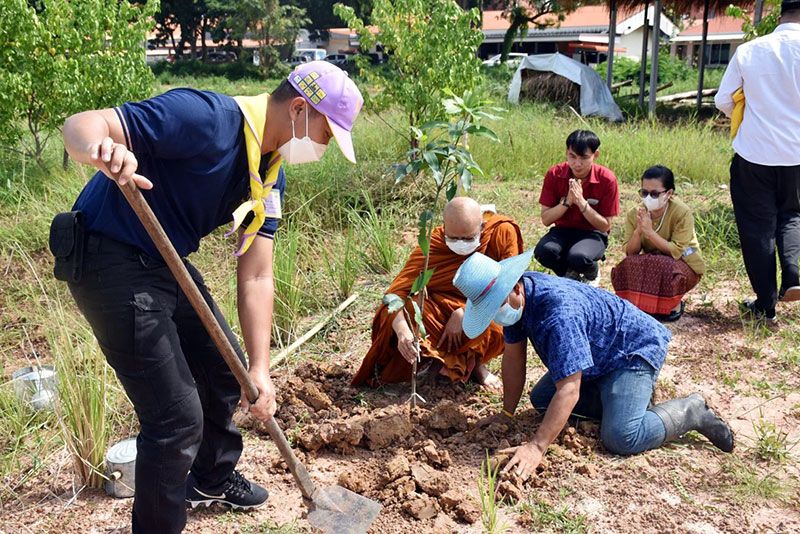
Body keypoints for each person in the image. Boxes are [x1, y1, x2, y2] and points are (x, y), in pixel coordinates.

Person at [53, 61, 363, 533]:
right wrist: (103, 149)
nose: (323, 147)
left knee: (224, 369)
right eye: (325, 134)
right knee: (176, 418)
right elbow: (80, 123)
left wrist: (259, 369)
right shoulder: (204, 118)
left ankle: (212, 478)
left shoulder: (269, 172)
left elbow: (257, 275)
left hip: (162, 258)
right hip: (106, 256)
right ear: (300, 108)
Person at [453, 251, 734, 480]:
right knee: (542, 399)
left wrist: (537, 447)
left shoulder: (557, 315)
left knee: (622, 436)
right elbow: (514, 357)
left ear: (514, 287)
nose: (497, 314)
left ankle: (691, 410)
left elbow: (569, 389)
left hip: (630, 351)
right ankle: (621, 400)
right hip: (595, 354)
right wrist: (506, 413)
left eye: (497, 305)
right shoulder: (518, 301)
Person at [351, 198, 523, 390]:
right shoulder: (434, 244)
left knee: (500, 322)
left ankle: (476, 365)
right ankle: (440, 362)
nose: (460, 244)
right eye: (453, 238)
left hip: (482, 308)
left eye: (468, 238)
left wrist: (465, 313)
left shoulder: (500, 232)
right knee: (408, 308)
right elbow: (394, 295)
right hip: (440, 310)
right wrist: (403, 333)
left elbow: (507, 290)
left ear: (482, 226)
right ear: (444, 228)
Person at [715, 0, 800, 324]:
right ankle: (792, 275)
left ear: (781, 15)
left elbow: (723, 99)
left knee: (757, 229)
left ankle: (766, 305)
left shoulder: (751, 50)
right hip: (797, 156)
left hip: (755, 154)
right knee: (791, 215)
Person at [611, 165, 705, 322]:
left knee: (665, 265)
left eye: (654, 194)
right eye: (644, 193)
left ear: (669, 193)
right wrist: (638, 232)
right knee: (627, 265)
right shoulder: (635, 214)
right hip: (654, 261)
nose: (648, 198)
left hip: (683, 263)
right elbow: (630, 253)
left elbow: (676, 251)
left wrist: (650, 233)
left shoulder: (681, 213)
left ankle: (672, 305)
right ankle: (643, 305)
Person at [534, 129, 620, 283]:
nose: (577, 164)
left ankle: (591, 273)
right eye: (572, 157)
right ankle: (569, 275)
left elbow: (605, 226)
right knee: (544, 252)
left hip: (592, 233)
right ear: (566, 152)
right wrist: (567, 202)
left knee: (579, 257)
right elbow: (546, 219)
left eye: (584, 158)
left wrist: (581, 202)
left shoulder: (607, 179)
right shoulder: (555, 174)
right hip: (562, 230)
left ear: (596, 155)